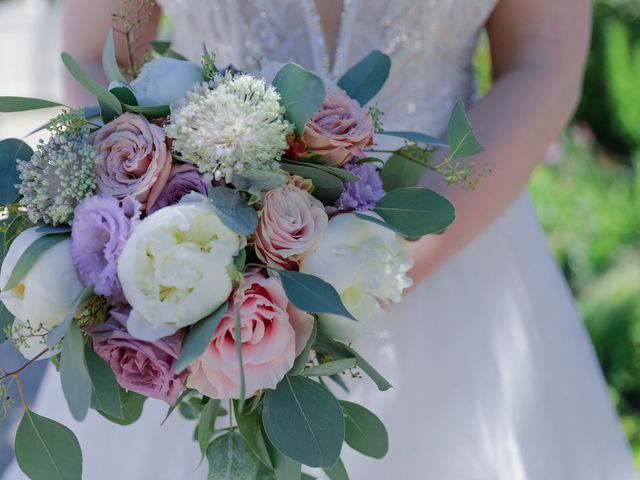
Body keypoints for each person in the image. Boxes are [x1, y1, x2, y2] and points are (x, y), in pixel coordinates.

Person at [4, 0, 638, 478]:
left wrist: (396, 251)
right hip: (207, 264)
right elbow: (99, 48)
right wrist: (166, 212)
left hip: (456, 246)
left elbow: (542, 62)